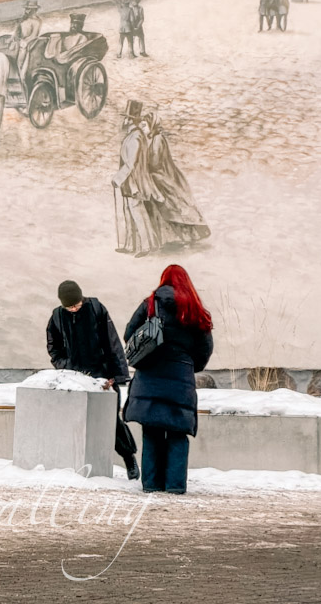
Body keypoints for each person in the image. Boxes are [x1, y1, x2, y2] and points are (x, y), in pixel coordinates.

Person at [123, 265, 214, 494]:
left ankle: (151, 485)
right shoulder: (194, 308)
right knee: (177, 433)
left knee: (151, 431)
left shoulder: (150, 304)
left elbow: (129, 334)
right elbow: (205, 348)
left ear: (163, 280)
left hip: (150, 375)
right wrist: (189, 365)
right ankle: (175, 486)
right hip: (180, 378)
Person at [46, 280, 139, 480]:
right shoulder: (57, 317)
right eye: (69, 306)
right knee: (78, 421)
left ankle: (129, 458)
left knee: (111, 420)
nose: (73, 309)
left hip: (102, 376)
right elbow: (54, 347)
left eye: (76, 304)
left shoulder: (96, 309)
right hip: (75, 378)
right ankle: (78, 463)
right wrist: (65, 365)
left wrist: (115, 376)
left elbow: (112, 343)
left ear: (82, 298)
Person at [144, 110, 211, 249]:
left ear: (152, 125)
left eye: (145, 125)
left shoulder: (157, 140)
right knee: (172, 208)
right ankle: (176, 238)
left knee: (172, 208)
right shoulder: (156, 138)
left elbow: (155, 162)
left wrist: (144, 163)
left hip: (161, 177)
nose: (143, 128)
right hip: (161, 175)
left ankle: (184, 237)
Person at [112, 100, 162, 256]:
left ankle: (145, 247)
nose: (123, 120)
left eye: (126, 118)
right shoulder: (133, 135)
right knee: (129, 212)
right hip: (129, 181)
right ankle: (130, 245)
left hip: (135, 182)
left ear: (130, 120)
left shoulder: (135, 137)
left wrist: (118, 179)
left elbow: (131, 163)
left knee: (137, 213)